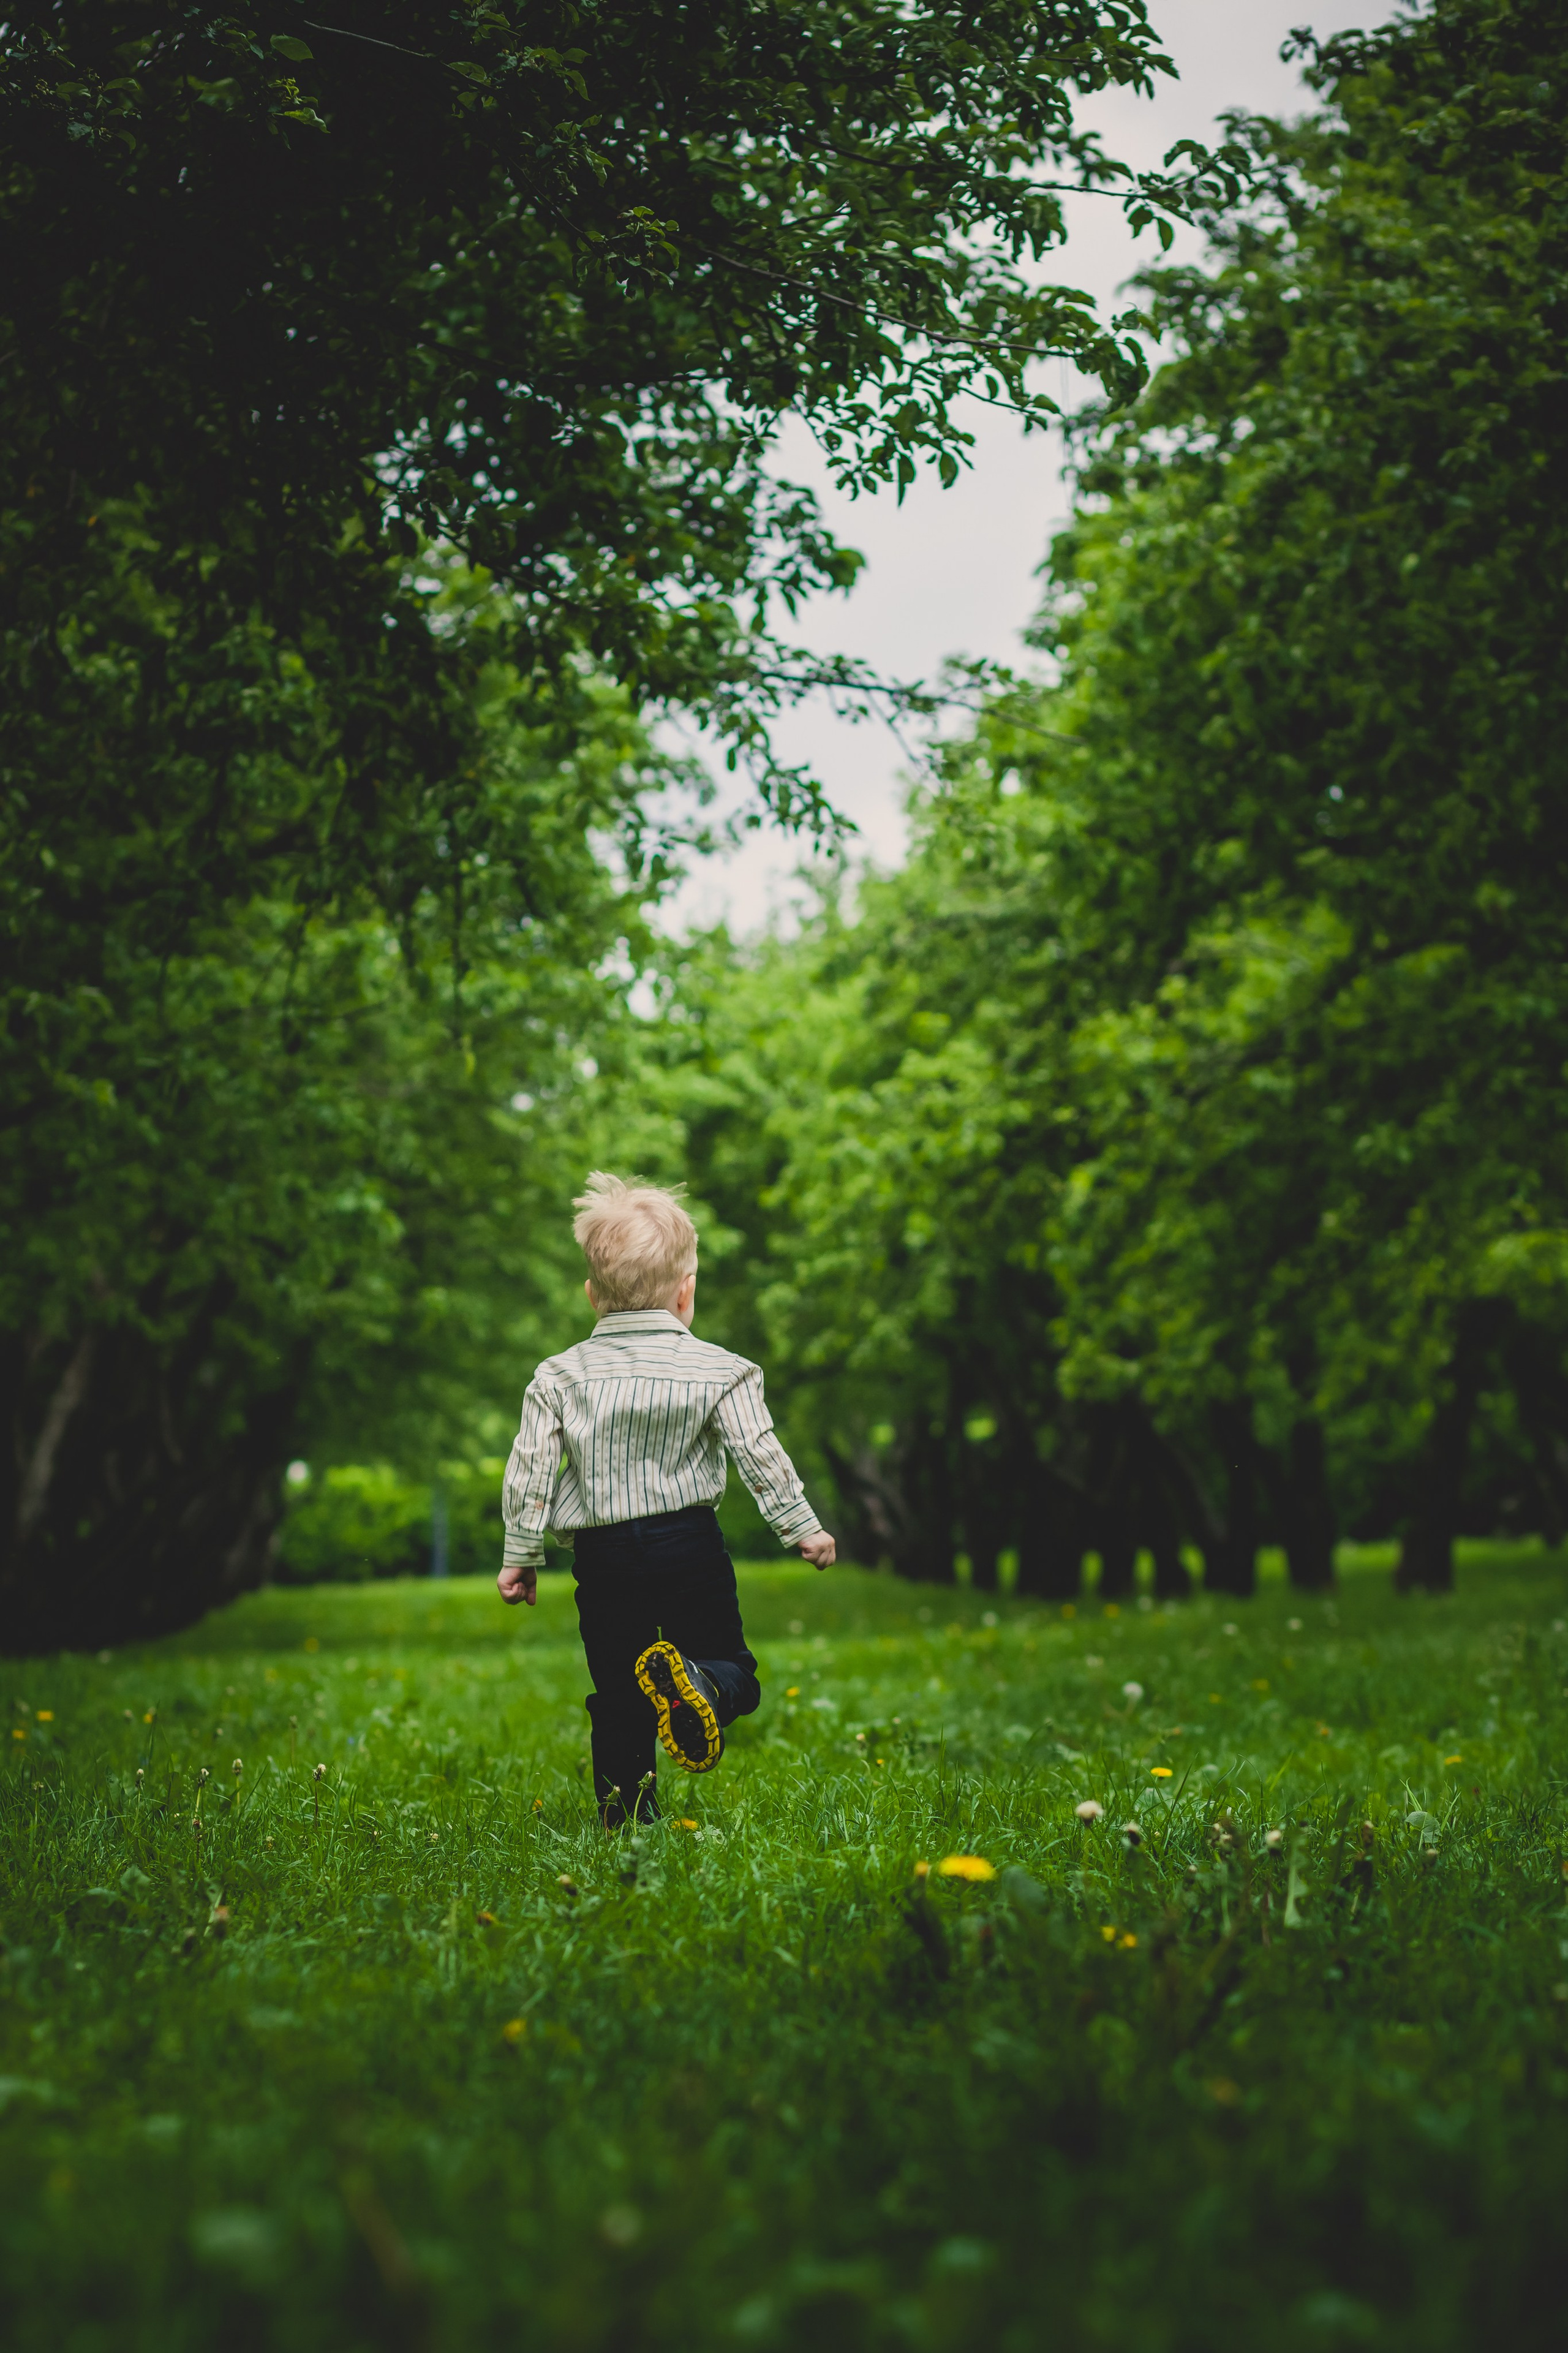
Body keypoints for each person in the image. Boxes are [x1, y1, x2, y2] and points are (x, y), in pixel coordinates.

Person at [497, 1173, 836, 1826]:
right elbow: (758, 1453)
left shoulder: (558, 1375)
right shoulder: (721, 1369)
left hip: (604, 1557)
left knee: (621, 1693)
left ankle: (628, 1821)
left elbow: (530, 1469)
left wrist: (522, 1553)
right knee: (733, 1664)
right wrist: (801, 1526)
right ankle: (702, 1681)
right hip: (688, 1545)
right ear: (686, 1293)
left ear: (593, 1295)